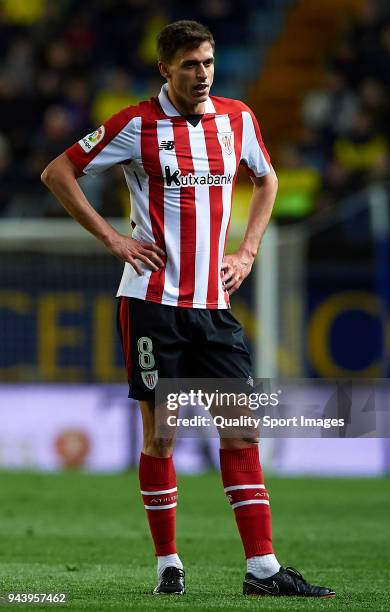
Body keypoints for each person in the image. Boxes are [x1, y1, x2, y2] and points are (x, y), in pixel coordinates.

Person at [41, 20, 335, 599]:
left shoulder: (237, 118)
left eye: (208, 63)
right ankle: (168, 564)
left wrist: (247, 250)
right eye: (190, 66)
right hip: (152, 305)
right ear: (164, 69)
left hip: (214, 308)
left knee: (242, 432)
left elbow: (268, 178)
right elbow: (58, 172)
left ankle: (264, 570)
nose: (202, 75)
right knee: (162, 439)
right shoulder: (135, 125)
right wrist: (114, 240)